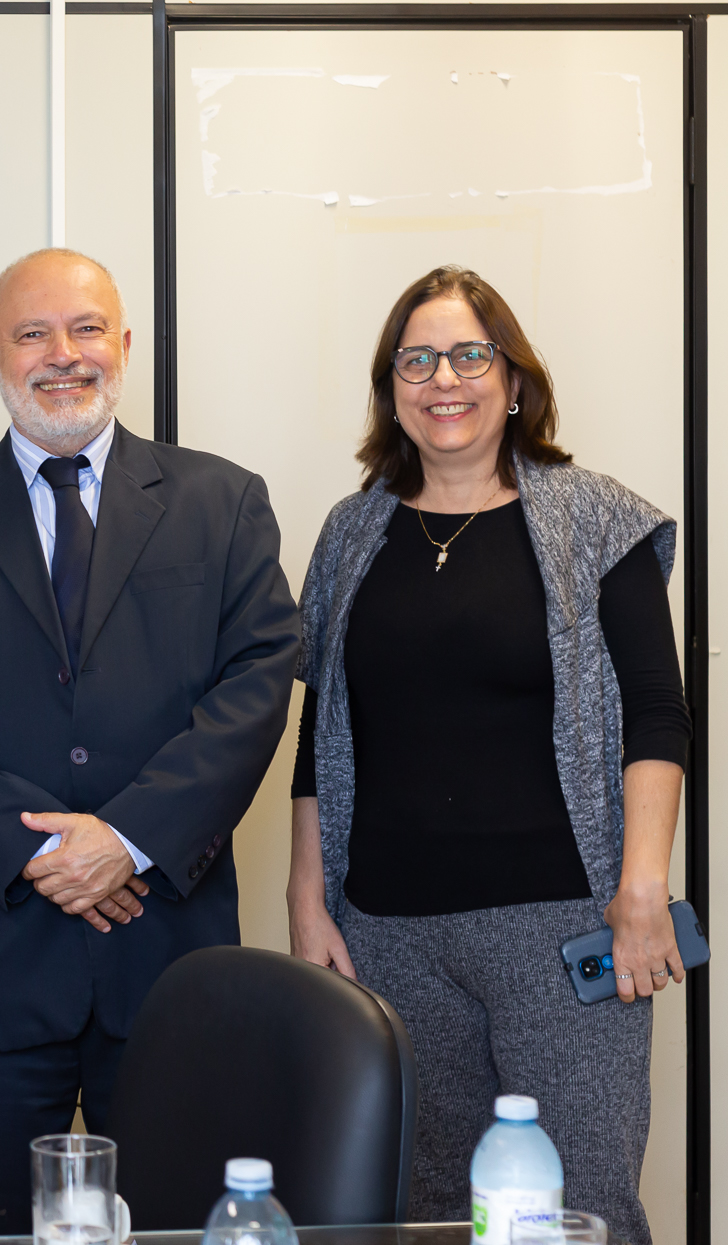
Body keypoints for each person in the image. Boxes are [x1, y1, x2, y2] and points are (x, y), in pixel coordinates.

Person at [0, 248, 300, 1234]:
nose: (62, 355)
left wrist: (126, 836)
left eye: (85, 328)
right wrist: (39, 846)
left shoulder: (220, 503)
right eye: (31, 334)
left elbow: (258, 681)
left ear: (122, 343)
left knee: (179, 1223)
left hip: (167, 955)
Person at [286, 266, 687, 1243]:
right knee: (425, 1209)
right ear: (391, 388)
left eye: (468, 353)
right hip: (386, 936)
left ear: (511, 377)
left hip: (559, 931)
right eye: (414, 359)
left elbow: (656, 717)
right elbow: (318, 735)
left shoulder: (596, 520)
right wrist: (306, 902)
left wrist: (640, 891)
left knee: (579, 1205)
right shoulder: (350, 533)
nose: (442, 379)